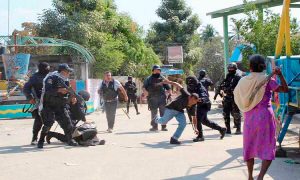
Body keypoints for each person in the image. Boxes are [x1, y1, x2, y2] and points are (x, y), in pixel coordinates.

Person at [233, 54, 288, 180]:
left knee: (249, 145)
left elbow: (237, 95)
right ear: (263, 67)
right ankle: (261, 177)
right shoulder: (267, 79)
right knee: (268, 146)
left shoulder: (243, 80)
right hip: (265, 118)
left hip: (249, 118)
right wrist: (279, 75)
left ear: (250, 67)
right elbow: (285, 89)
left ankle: (250, 176)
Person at [37, 64, 78, 148]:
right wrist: (59, 90)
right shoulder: (51, 78)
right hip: (49, 105)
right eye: (68, 71)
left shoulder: (65, 80)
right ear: (63, 71)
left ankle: (70, 139)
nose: (69, 73)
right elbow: (48, 91)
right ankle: (41, 140)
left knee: (67, 122)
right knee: (48, 123)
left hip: (60, 105)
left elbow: (69, 89)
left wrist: (73, 97)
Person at [155, 79, 199, 144]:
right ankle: (156, 119)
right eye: (192, 101)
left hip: (179, 111)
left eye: (194, 102)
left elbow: (194, 117)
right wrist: (168, 82)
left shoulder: (193, 105)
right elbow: (177, 84)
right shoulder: (186, 94)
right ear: (190, 97)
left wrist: (195, 128)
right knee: (163, 122)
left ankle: (174, 138)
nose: (192, 103)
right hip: (171, 108)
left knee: (183, 124)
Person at [186, 76, 226, 142]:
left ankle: (200, 136)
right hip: (199, 104)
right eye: (189, 84)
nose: (190, 85)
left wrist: (201, 99)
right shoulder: (190, 87)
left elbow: (204, 96)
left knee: (198, 119)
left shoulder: (200, 87)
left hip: (205, 104)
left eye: (191, 84)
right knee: (205, 121)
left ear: (195, 83)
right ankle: (221, 129)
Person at [23, 62, 50, 145]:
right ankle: (35, 138)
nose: (48, 69)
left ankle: (69, 136)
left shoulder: (51, 76)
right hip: (40, 102)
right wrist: (30, 98)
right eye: (46, 68)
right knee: (39, 120)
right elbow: (26, 88)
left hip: (52, 101)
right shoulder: (35, 77)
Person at [214, 63, 242, 134]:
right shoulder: (227, 77)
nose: (230, 70)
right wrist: (220, 89)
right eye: (229, 68)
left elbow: (240, 87)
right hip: (227, 97)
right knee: (225, 114)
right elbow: (222, 85)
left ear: (235, 69)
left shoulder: (238, 77)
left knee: (236, 113)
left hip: (235, 97)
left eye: (232, 68)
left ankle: (238, 129)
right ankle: (228, 129)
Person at [143, 65, 171, 131]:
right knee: (154, 113)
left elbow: (168, 88)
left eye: (158, 70)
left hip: (162, 98)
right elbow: (144, 87)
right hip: (152, 98)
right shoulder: (148, 79)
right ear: (153, 71)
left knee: (163, 113)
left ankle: (163, 126)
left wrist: (168, 94)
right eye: (156, 70)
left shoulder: (163, 78)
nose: (157, 71)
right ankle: (154, 127)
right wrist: (146, 94)